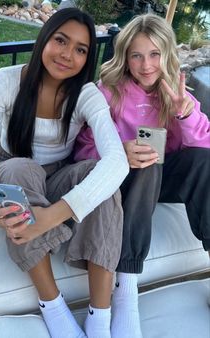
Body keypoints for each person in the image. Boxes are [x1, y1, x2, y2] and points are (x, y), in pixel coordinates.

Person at [0, 8, 129, 338]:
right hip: (13, 171)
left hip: (58, 178)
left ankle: (100, 320)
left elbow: (117, 161)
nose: (67, 55)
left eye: (80, 49)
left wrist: (53, 215)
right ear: (45, 37)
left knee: (99, 177)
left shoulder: (86, 94)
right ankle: (54, 307)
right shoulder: (3, 83)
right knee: (20, 169)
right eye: (61, 40)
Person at [74, 13, 210, 338]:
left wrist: (184, 112)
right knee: (149, 156)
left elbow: (203, 145)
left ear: (166, 55)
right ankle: (126, 288)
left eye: (154, 54)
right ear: (125, 57)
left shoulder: (175, 92)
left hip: (161, 178)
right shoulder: (107, 92)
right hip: (121, 178)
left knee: (203, 161)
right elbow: (80, 150)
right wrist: (119, 150)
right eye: (136, 55)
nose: (146, 64)